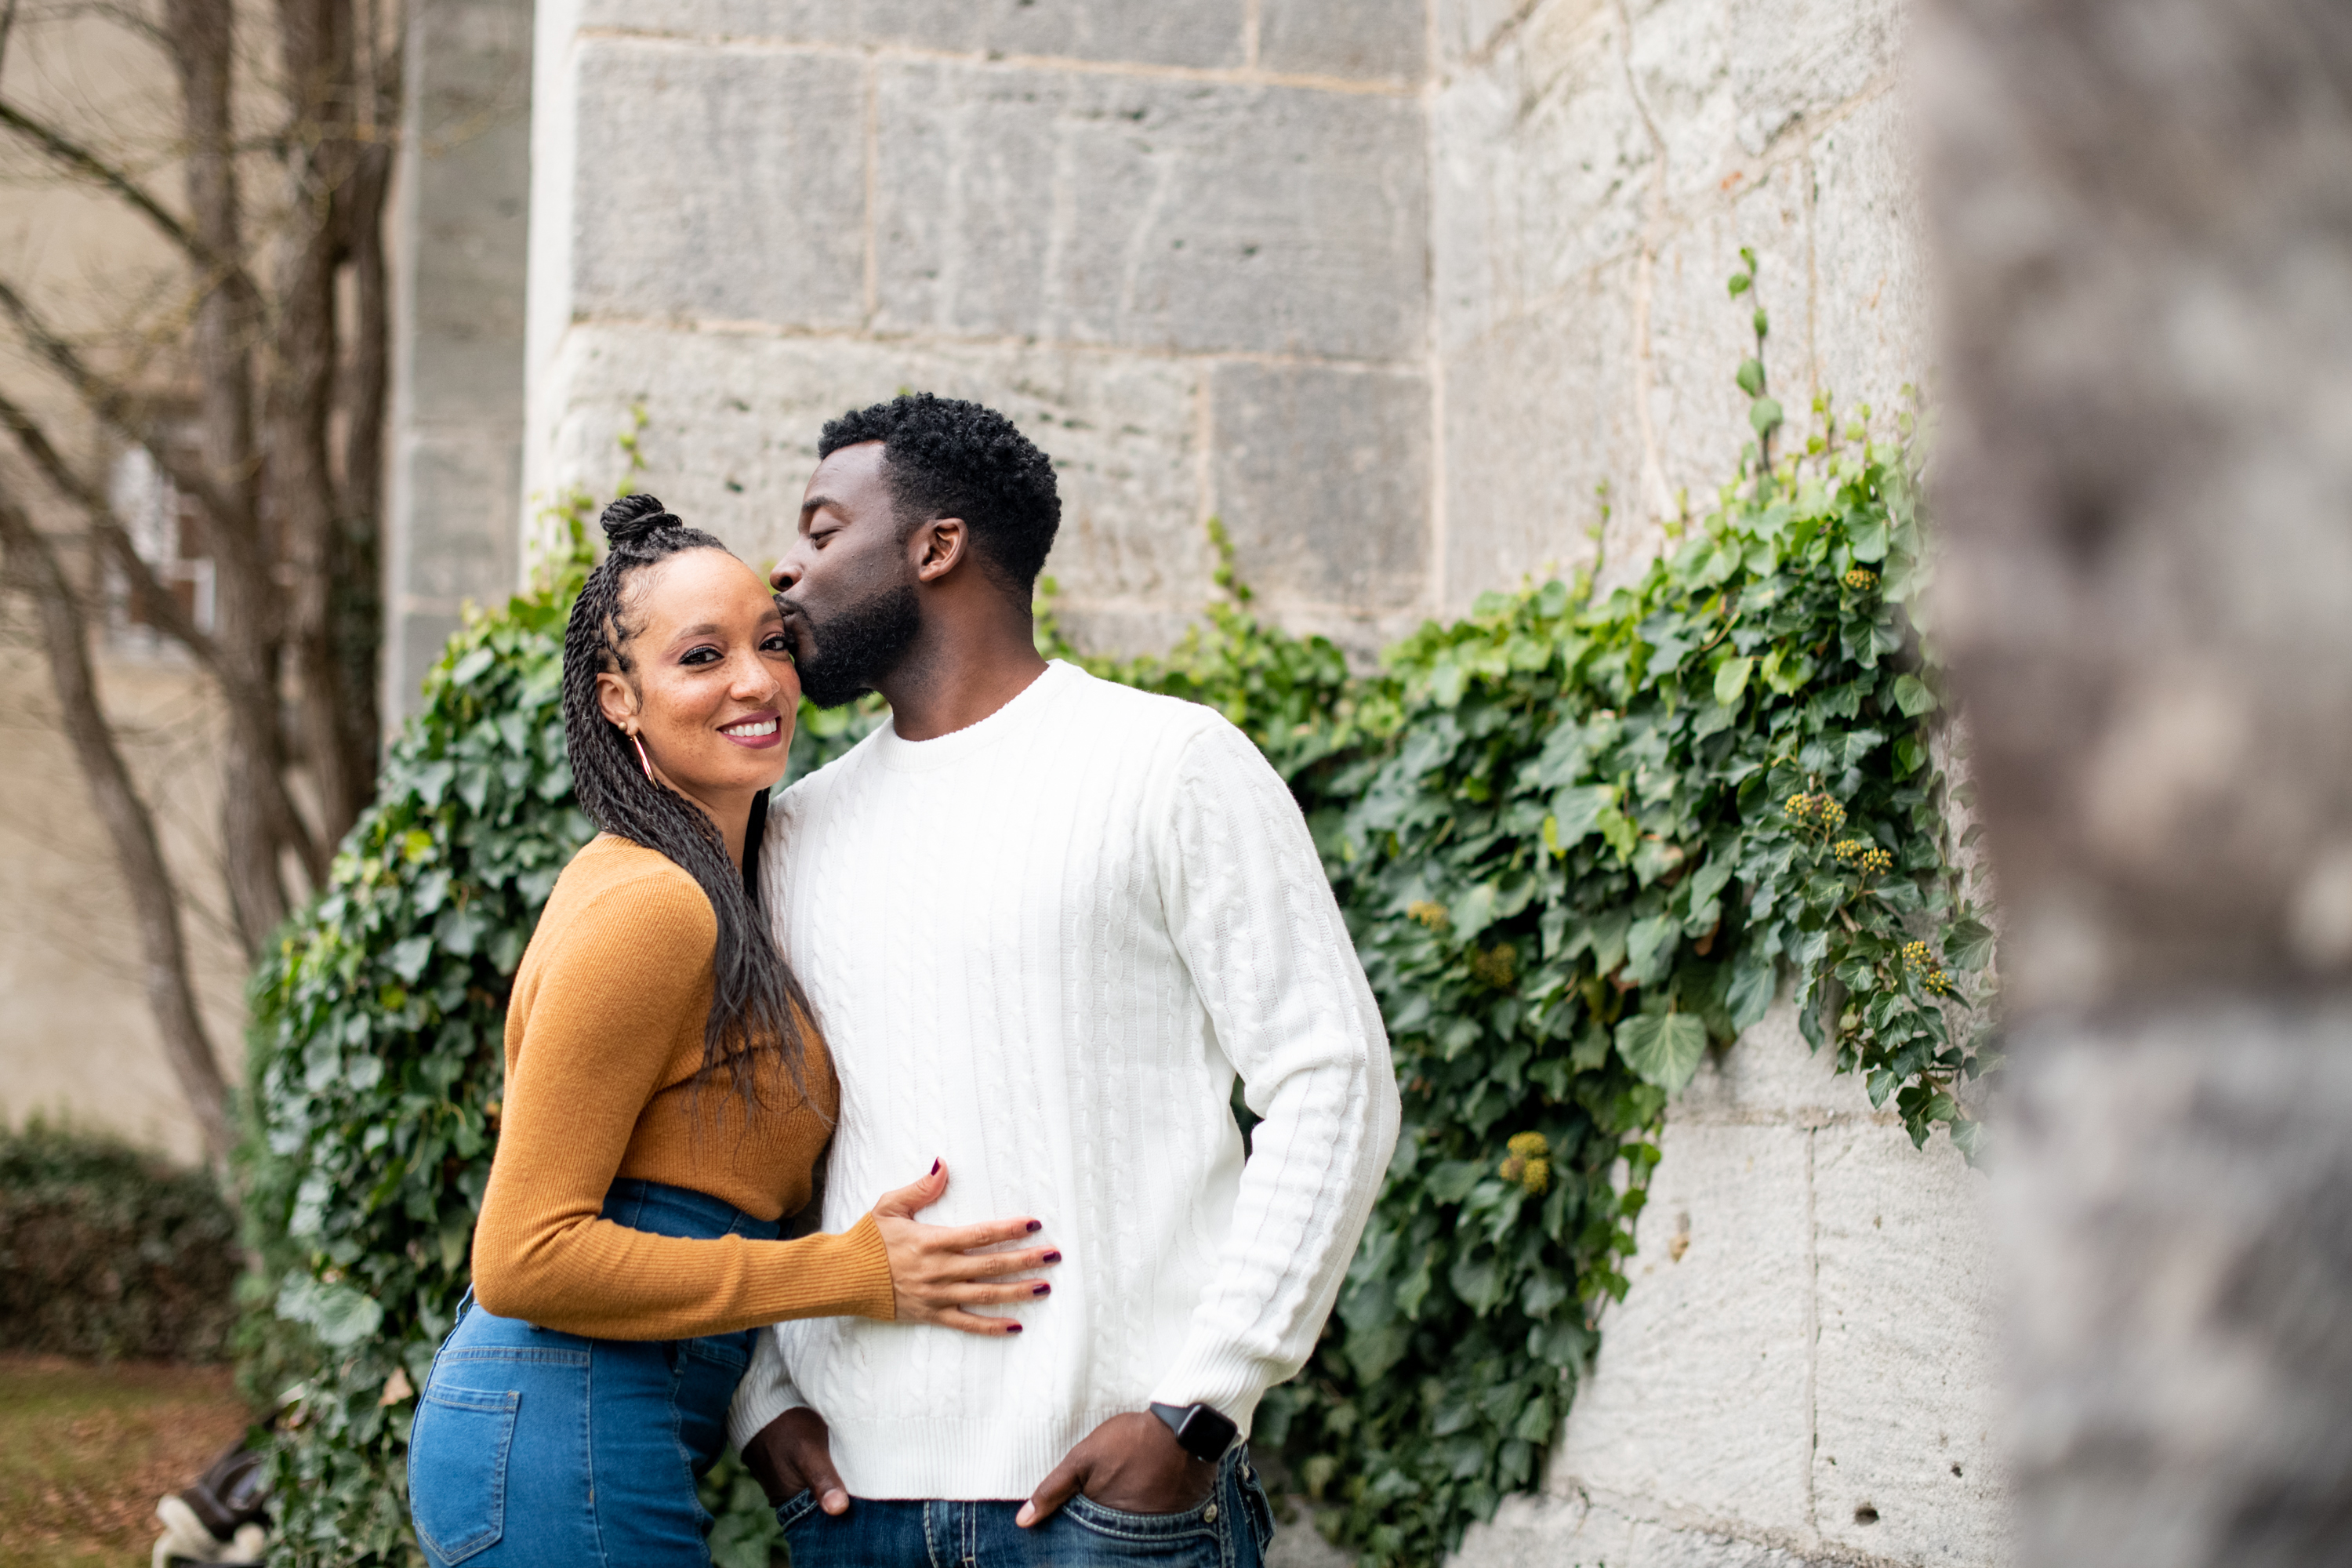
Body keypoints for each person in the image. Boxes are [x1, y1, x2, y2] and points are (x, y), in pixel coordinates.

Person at [730, 395, 1403, 1567]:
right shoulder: (789, 834)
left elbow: (1333, 1080)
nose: (783, 568)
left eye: (823, 530)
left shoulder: (1168, 764)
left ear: (937, 547)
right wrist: (760, 1397)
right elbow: (746, 1149)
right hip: (850, 1513)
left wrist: (1202, 1405)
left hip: (1113, 1510)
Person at [405, 495, 1057, 1568]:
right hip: (562, 1432)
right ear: (620, 698)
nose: (757, 681)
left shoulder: (723, 893)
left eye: (772, 643)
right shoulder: (652, 907)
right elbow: (524, 1258)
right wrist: (844, 1273)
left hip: (596, 1426)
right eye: (702, 656)